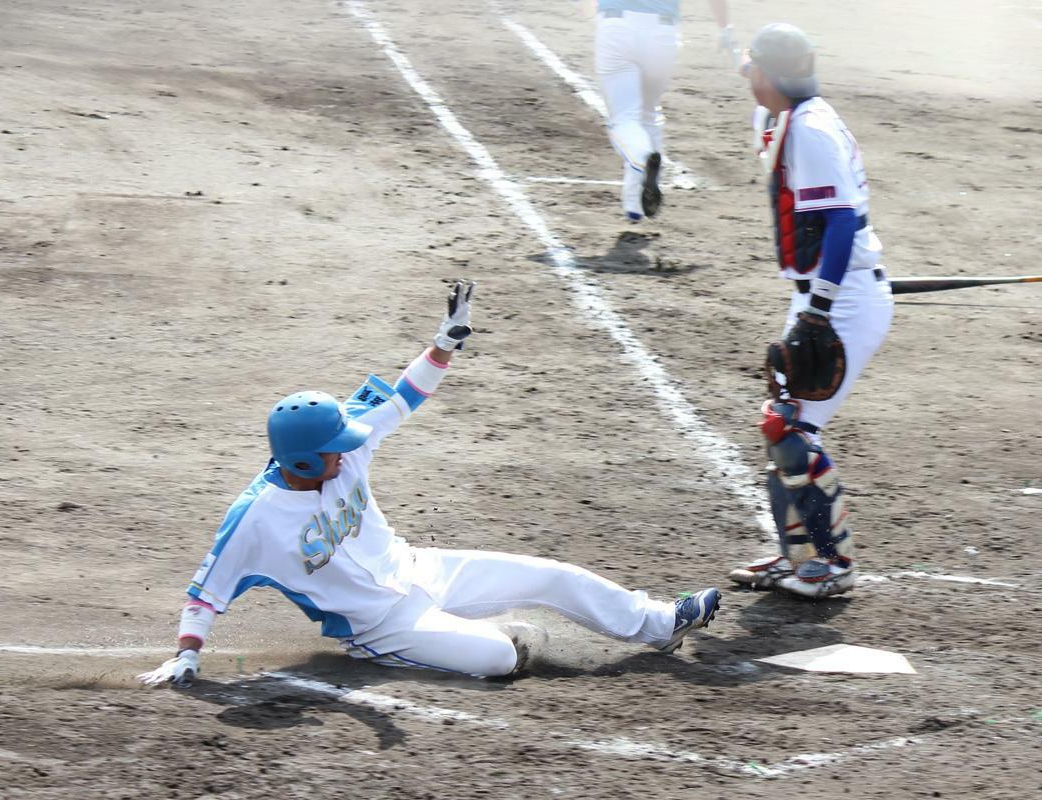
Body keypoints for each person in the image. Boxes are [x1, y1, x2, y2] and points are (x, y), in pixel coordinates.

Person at [139, 281, 721, 686]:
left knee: (551, 576)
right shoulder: (256, 519)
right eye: (334, 453)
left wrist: (443, 343)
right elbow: (204, 595)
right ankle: (439, 645)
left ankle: (661, 621)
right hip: (380, 624)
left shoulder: (343, 440)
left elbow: (404, 397)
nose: (348, 454)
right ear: (304, 462)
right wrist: (187, 656)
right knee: (499, 659)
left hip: (419, 568)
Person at [728, 24, 893, 598]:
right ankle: (796, 557)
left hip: (841, 299)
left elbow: (843, 220)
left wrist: (819, 309)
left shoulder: (811, 132)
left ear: (769, 77)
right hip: (829, 292)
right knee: (782, 427)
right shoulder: (790, 111)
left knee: (791, 430)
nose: (746, 75)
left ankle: (832, 564)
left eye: (752, 68)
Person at [594, 1, 735, 222]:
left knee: (625, 117)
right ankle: (635, 205)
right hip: (663, 34)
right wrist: (724, 28)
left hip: (617, 27)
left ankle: (642, 157)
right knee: (649, 113)